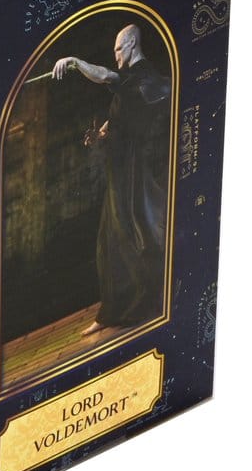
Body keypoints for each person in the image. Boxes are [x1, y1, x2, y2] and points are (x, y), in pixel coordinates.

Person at [52, 23, 170, 336]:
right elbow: (122, 112)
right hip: (119, 170)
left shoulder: (142, 75)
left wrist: (74, 62)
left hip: (133, 172)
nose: (116, 55)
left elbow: (106, 76)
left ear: (130, 44)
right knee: (110, 242)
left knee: (130, 237)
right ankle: (111, 311)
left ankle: (142, 304)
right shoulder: (133, 81)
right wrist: (102, 133)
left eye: (119, 48)